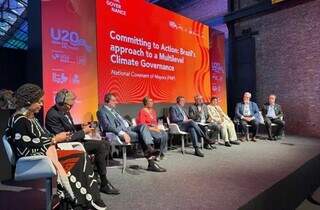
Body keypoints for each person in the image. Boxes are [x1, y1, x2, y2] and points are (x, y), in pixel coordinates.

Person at [4, 84, 106, 210]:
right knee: (78, 157)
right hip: (35, 159)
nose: (42, 105)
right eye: (39, 102)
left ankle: (83, 199)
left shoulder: (28, 118)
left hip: (46, 152)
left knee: (80, 155)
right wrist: (55, 139)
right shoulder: (19, 120)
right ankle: (80, 200)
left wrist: (54, 140)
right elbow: (26, 146)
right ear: (29, 101)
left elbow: (41, 137)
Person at [45, 89, 119, 195]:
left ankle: (97, 175)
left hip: (76, 141)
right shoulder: (52, 115)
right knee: (102, 146)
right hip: (66, 146)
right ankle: (103, 182)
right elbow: (64, 137)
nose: (70, 107)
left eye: (71, 105)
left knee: (105, 144)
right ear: (60, 102)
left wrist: (81, 127)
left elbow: (69, 128)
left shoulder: (65, 110)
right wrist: (83, 132)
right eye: (69, 105)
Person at [97, 92, 166, 172]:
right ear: (107, 101)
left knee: (143, 126)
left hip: (128, 128)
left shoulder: (114, 111)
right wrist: (122, 133)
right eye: (113, 100)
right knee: (142, 135)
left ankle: (150, 150)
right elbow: (107, 126)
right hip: (119, 132)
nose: (116, 102)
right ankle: (151, 160)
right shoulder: (102, 111)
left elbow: (122, 121)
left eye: (116, 100)